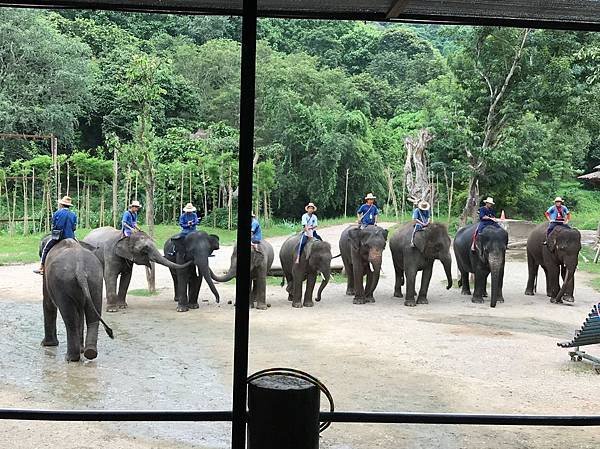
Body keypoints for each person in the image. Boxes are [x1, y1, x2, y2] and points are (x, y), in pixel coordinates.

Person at [35, 196, 77, 275]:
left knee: (46, 249)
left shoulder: (57, 213)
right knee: (80, 246)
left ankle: (42, 267)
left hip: (58, 236)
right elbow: (74, 228)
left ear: (61, 205)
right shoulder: (73, 215)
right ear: (69, 206)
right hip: (71, 236)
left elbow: (54, 226)